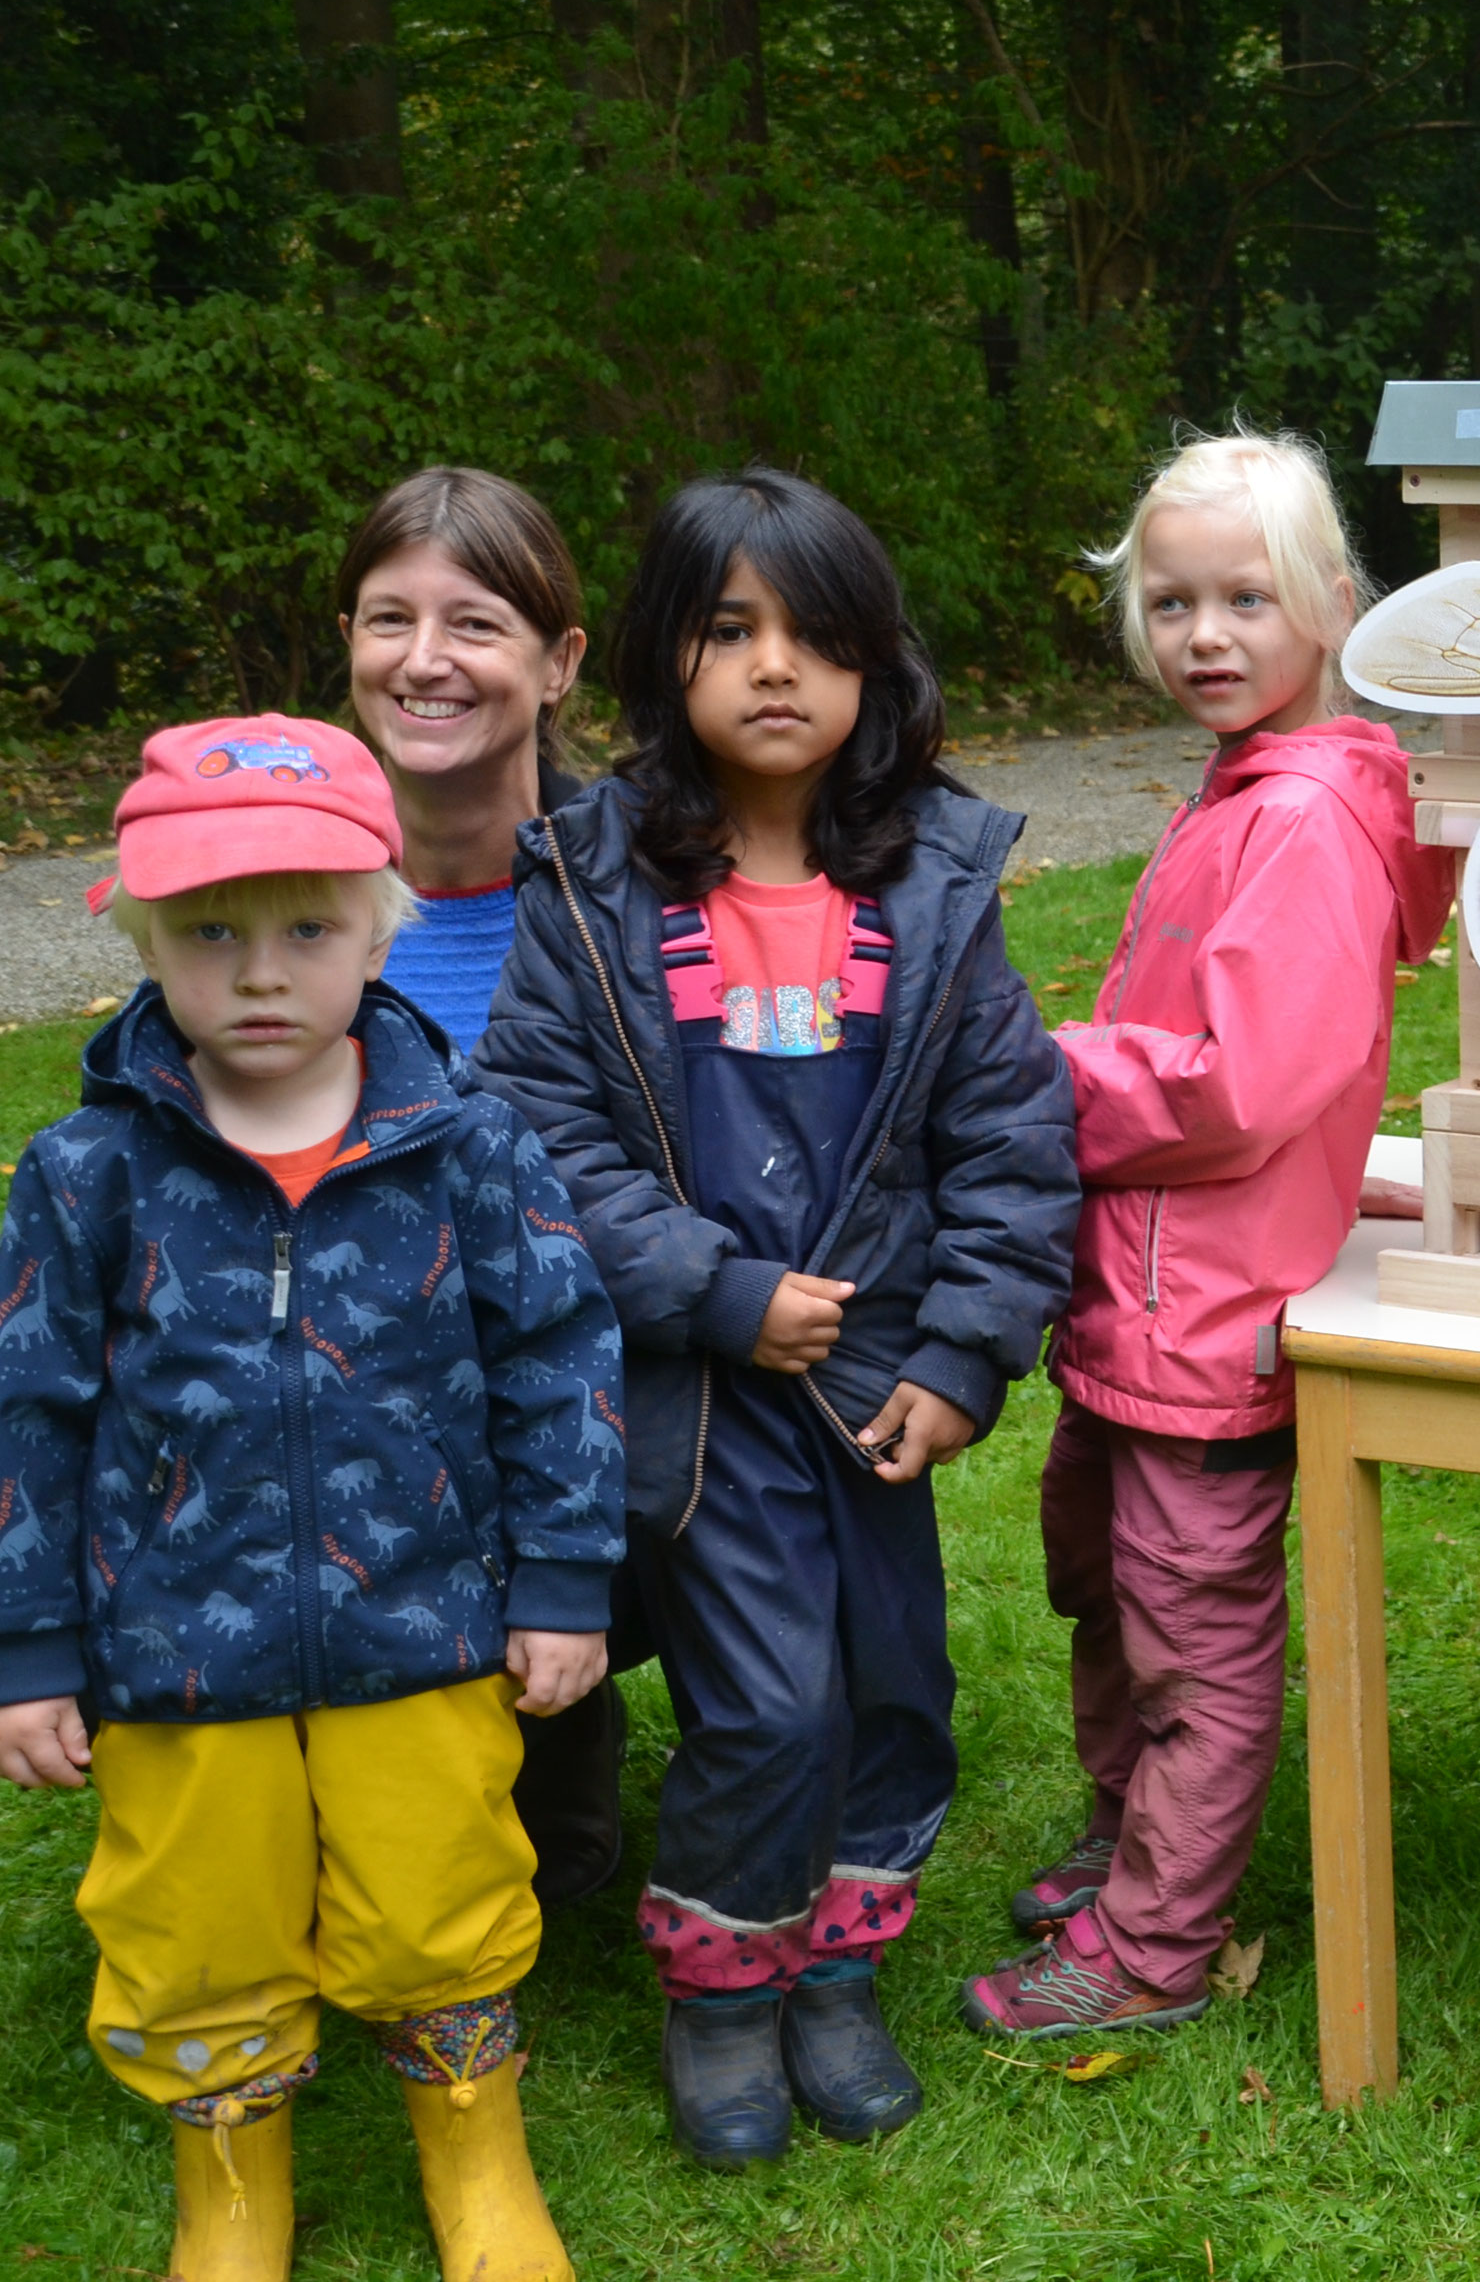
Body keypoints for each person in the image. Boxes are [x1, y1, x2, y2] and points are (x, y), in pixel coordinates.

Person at [476, 470, 1077, 2168]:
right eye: (731, 628)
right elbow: (543, 1138)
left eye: (817, 634)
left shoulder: (937, 885)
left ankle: (839, 1965)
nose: (774, 668)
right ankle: (726, 1987)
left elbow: (1014, 1138)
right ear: (668, 654)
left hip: (876, 1388)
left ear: (876, 667)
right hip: (705, 1401)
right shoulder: (590, 888)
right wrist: (716, 1291)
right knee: (762, 1705)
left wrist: (965, 1350)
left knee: (893, 1684)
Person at [0, 715, 624, 2282]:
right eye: (210, 932)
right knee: (192, 1916)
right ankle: (230, 2186)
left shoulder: (469, 1146)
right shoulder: (88, 1174)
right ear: (145, 934)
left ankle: (476, 2156)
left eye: (304, 928)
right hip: (173, 1653)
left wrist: (560, 1580)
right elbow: (27, 1408)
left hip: (421, 1620)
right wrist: (29, 1648)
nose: (260, 971)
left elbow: (560, 1355)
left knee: (444, 1891)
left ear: (380, 924)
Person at [964, 431, 1452, 2038]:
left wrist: (1030, 1076)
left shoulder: (1304, 821)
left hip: (1208, 1312)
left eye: (1248, 597)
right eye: (1172, 603)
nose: (1207, 636)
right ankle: (1130, 1848)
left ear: (1331, 602)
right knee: (1105, 1581)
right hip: (1142, 1297)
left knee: (1192, 1636)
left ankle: (1154, 1946)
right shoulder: (1241, 791)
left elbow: (1238, 1084)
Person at [332, 466, 635, 1906]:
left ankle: (567, 1735)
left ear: (559, 661)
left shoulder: (634, 884)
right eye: (390, 620)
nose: (426, 661)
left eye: (475, 622)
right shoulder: (282, 902)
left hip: (590, 1358)